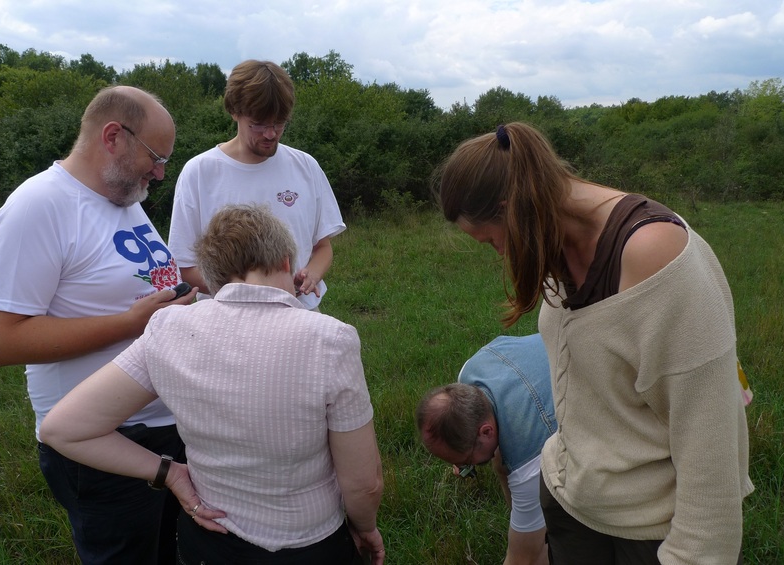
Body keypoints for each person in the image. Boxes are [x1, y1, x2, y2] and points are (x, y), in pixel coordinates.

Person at [431, 122, 754, 564]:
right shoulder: (553, 242)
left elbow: (712, 442)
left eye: (492, 240)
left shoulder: (654, 255)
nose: (501, 254)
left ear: (514, 210)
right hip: (570, 506)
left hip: (648, 533)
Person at [40, 204, 386, 565]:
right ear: (285, 261)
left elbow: (63, 429)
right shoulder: (330, 340)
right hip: (308, 545)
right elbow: (364, 484)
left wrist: (169, 473)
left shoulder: (167, 329)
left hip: (208, 542)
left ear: (213, 277)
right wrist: (365, 527)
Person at [0, 85, 197, 564]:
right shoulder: (38, 208)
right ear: (113, 136)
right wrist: (131, 322)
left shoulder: (123, 199)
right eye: (156, 157)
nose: (160, 173)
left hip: (163, 429)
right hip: (104, 443)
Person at [168, 59, 345, 310]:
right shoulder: (200, 172)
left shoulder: (305, 166)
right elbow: (185, 267)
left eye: (280, 122)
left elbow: (322, 247)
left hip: (300, 316)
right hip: (228, 322)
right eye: (259, 124)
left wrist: (312, 274)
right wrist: (255, 295)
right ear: (234, 111)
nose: (271, 133)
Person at [416, 333, 555, 565]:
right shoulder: (469, 372)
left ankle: (534, 525)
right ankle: (525, 521)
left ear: (486, 432)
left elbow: (523, 560)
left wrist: (528, 541)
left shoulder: (528, 457)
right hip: (552, 350)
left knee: (538, 548)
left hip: (599, 384)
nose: (462, 468)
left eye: (466, 459)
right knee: (500, 461)